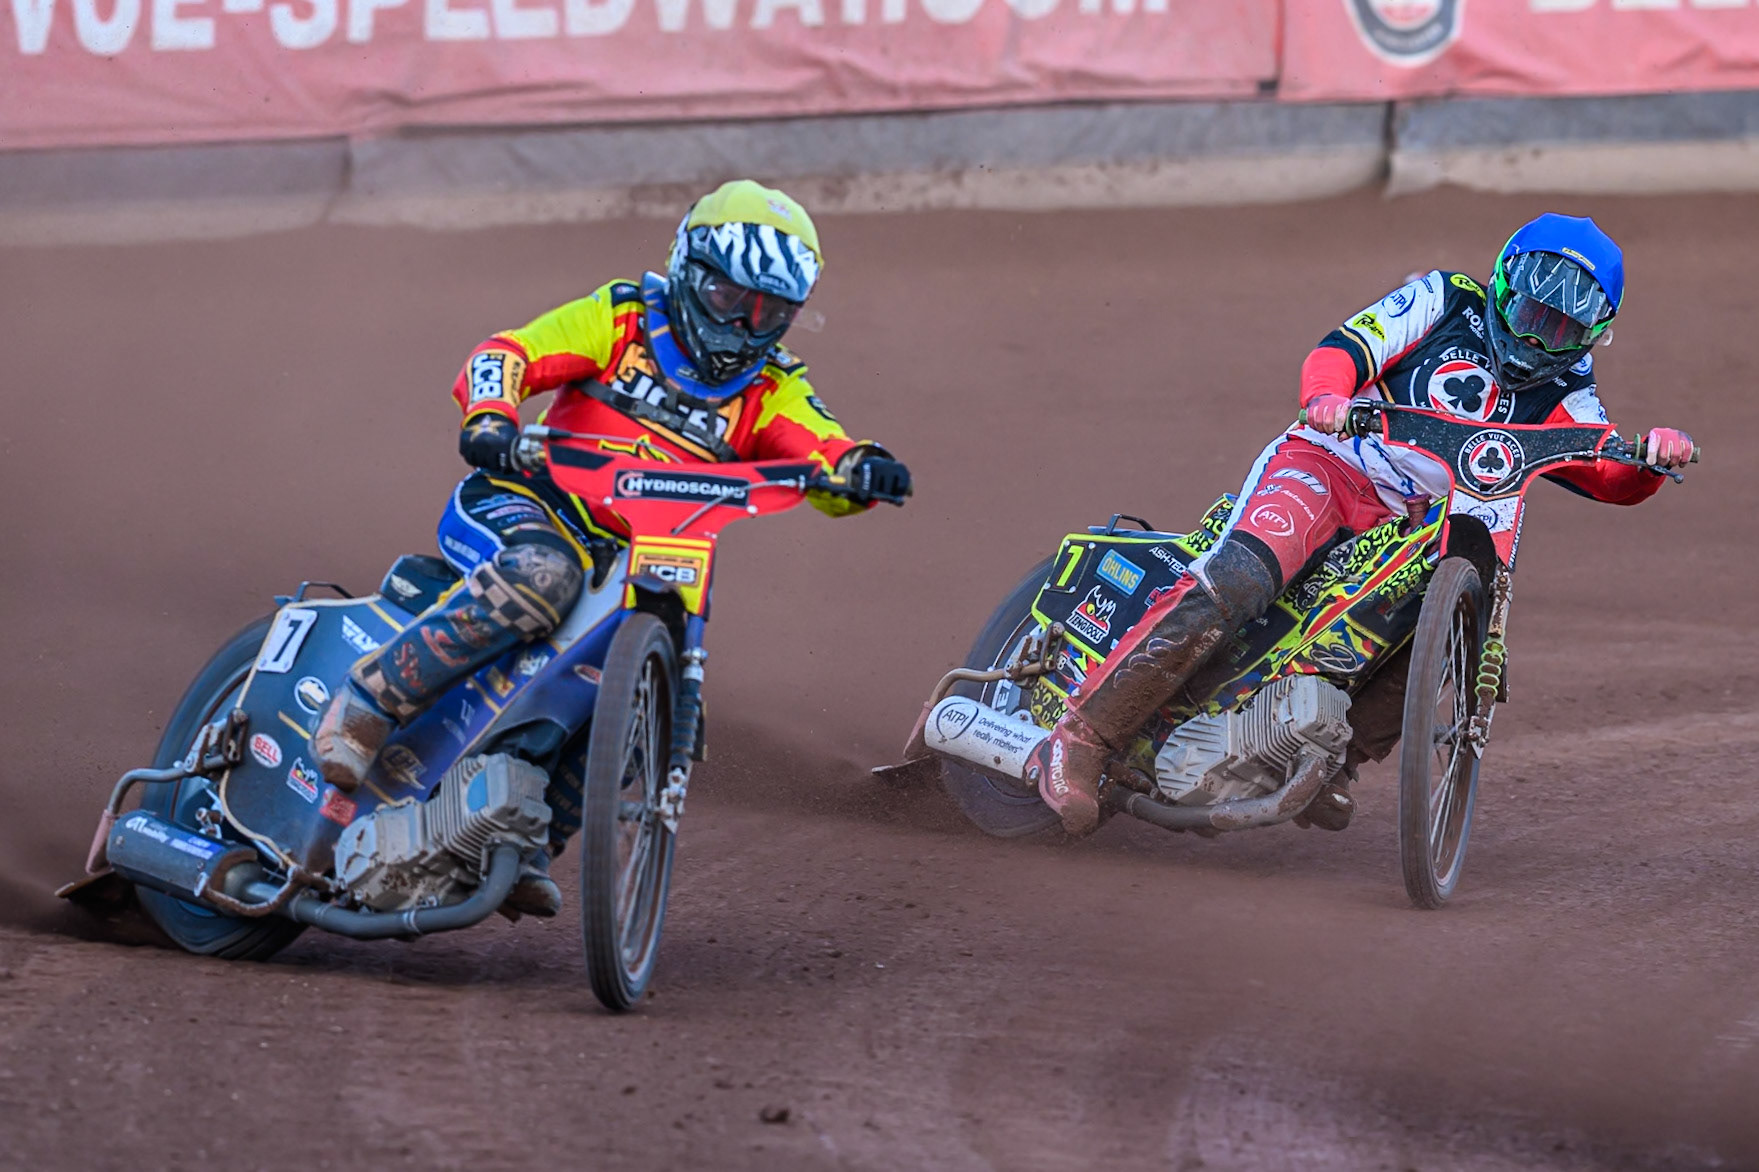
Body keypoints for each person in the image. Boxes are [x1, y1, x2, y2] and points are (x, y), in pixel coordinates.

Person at [311, 180, 912, 910]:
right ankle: (367, 700)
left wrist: (861, 467)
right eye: (729, 298)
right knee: (544, 576)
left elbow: (824, 446)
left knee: (646, 703)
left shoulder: (773, 386)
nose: (743, 326)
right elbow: (511, 352)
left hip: (640, 555)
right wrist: (491, 416)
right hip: (527, 502)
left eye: (768, 312)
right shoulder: (622, 318)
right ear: (688, 269)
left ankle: (524, 841)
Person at [1028, 213, 1694, 836]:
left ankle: (1331, 764)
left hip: (1419, 521)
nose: (1534, 340)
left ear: (1593, 335)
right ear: (1500, 285)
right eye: (1528, 313)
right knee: (1242, 577)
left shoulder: (1570, 389)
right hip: (1332, 464)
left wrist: (1653, 462)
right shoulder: (1442, 299)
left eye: (1560, 330)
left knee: (1455, 634)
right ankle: (1082, 738)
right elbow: (1345, 347)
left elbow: (1608, 473)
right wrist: (1326, 395)